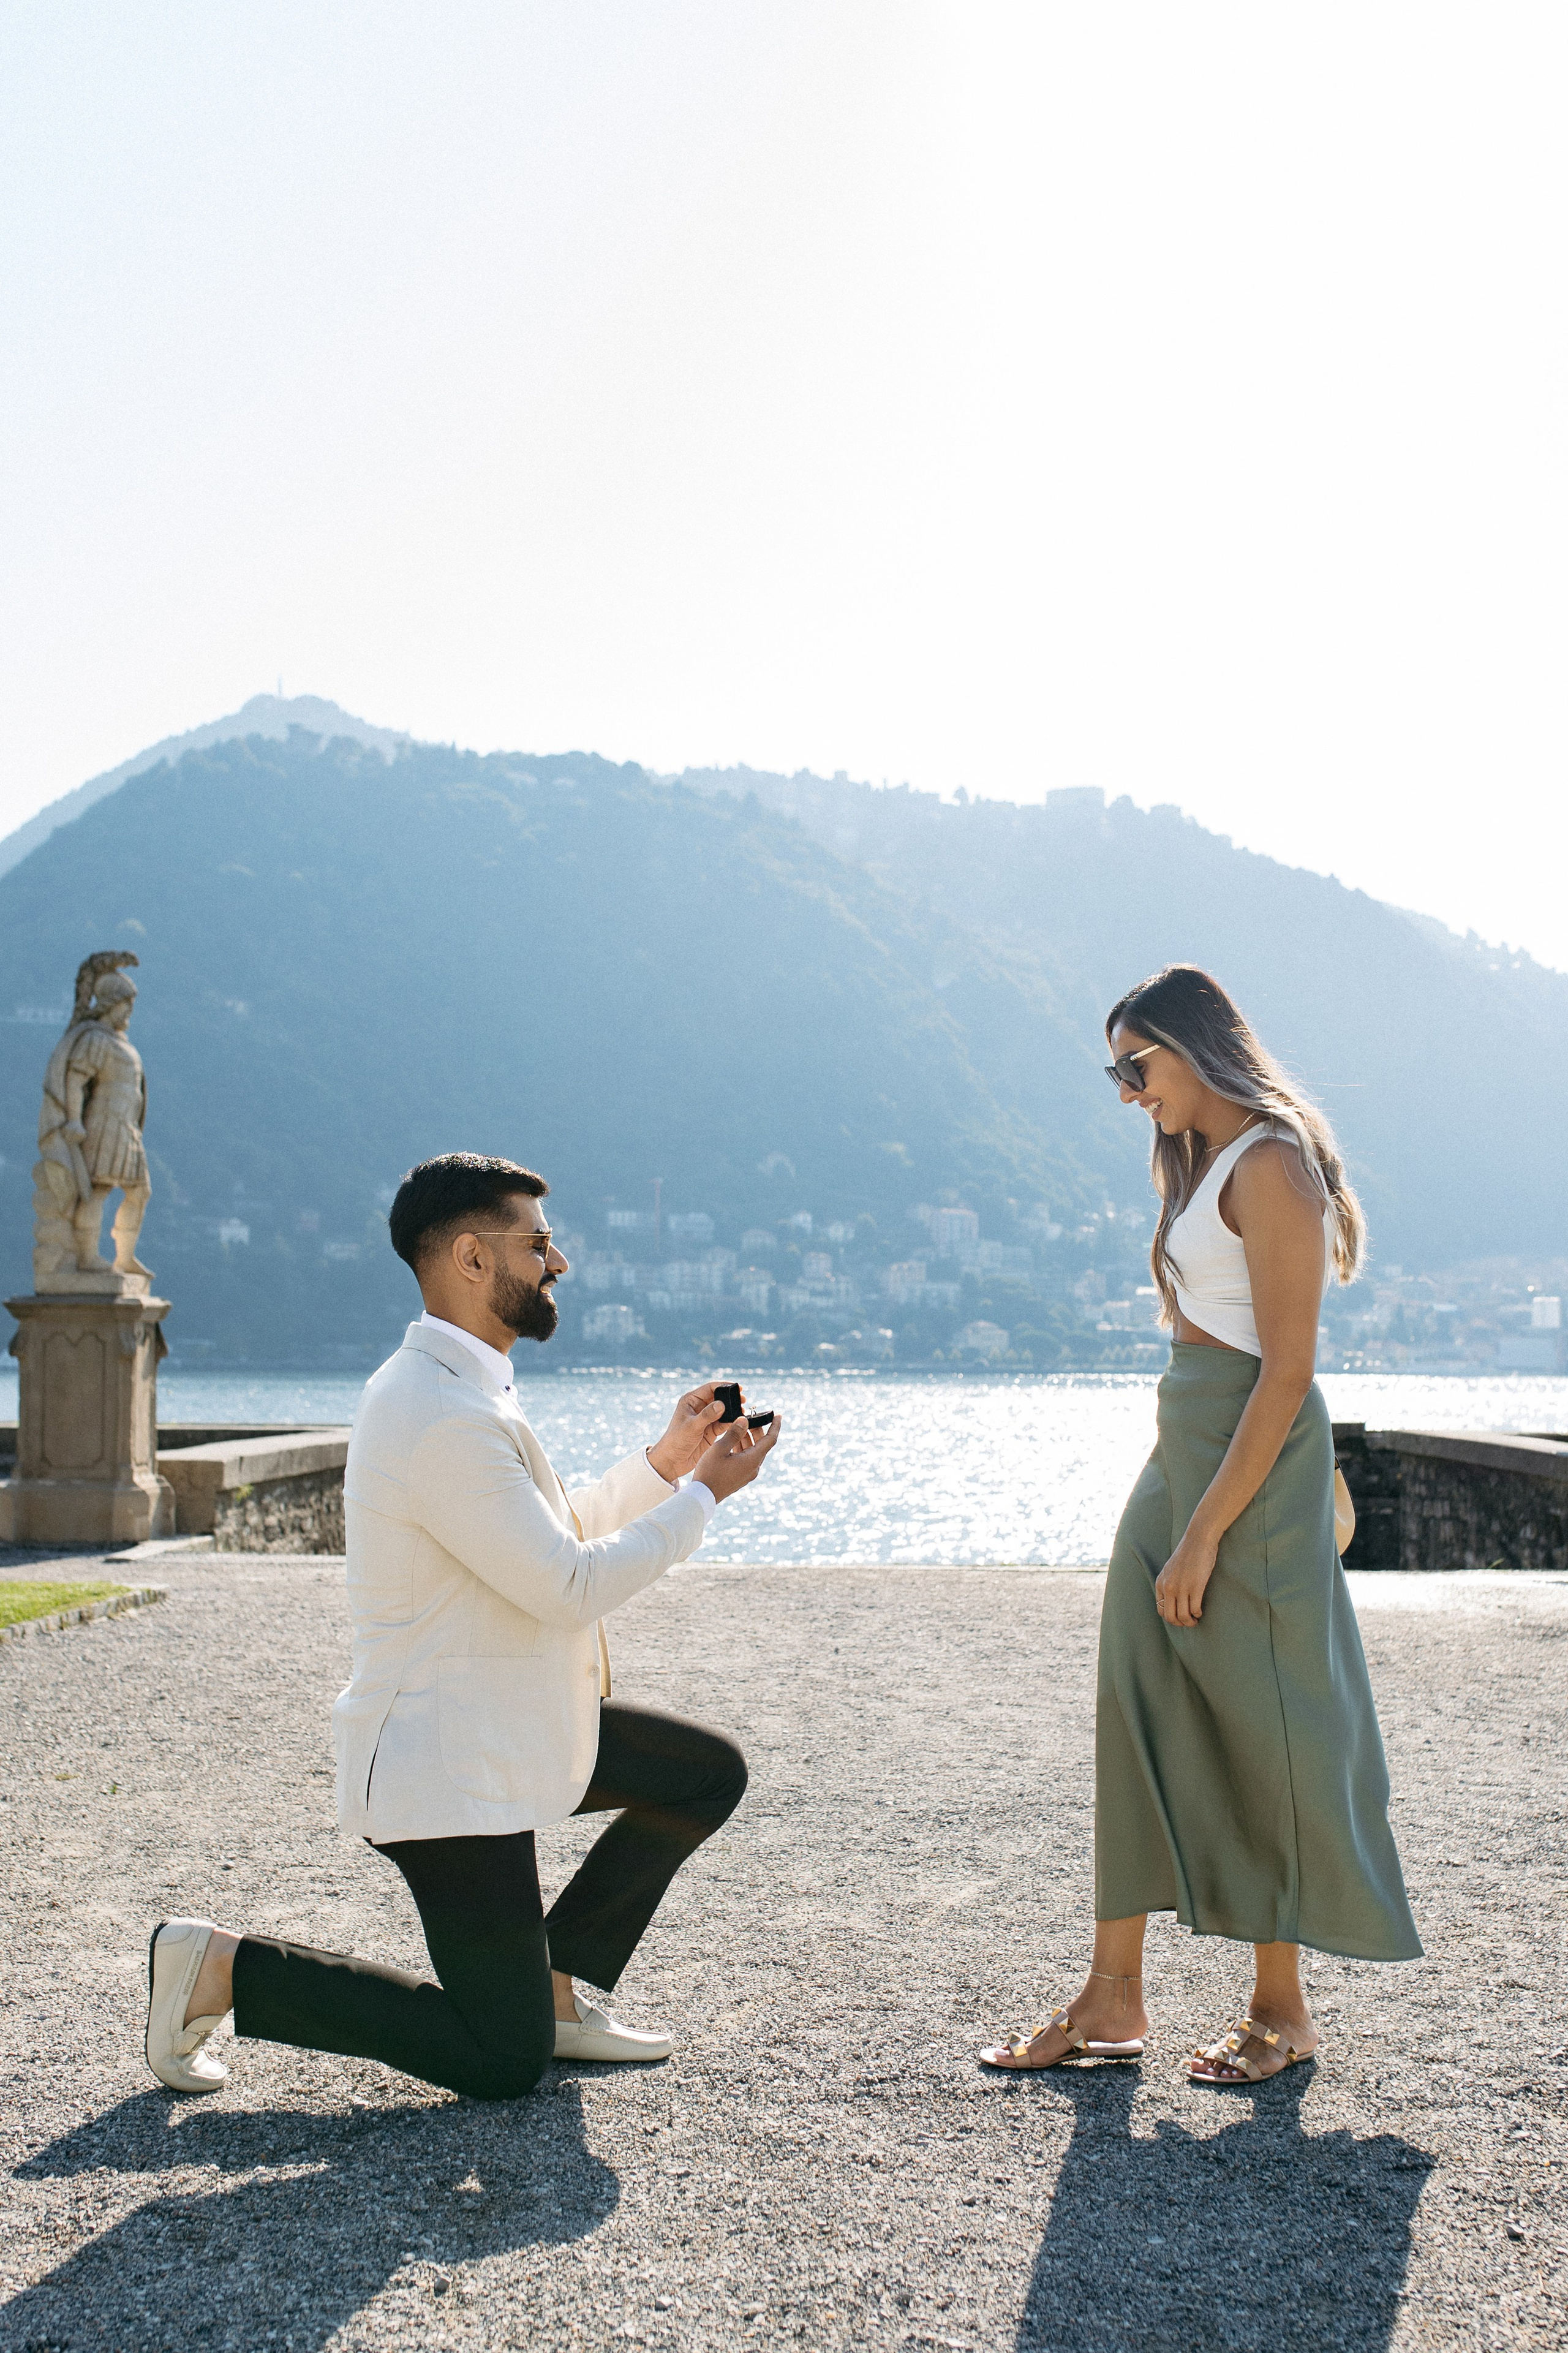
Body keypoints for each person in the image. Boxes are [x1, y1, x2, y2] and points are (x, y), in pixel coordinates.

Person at [146, 1152, 780, 2101]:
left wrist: (664, 1461)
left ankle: (559, 1987)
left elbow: (544, 1532)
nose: (558, 1260)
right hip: (443, 1763)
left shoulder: (465, 1389)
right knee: (498, 2059)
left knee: (702, 1774)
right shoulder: (438, 1408)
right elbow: (566, 1584)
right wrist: (699, 1498)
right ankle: (223, 1969)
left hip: (502, 1724)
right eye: (538, 1241)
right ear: (475, 1260)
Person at [981, 965, 1419, 2085]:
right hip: (1185, 1446)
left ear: (1196, 1044)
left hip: (1249, 1465)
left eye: (1139, 1065)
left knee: (1260, 1719)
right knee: (1135, 1691)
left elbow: (1287, 1374)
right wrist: (1178, 1504)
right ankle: (1112, 1994)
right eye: (1115, 1073)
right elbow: (1205, 1338)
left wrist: (1206, 1531)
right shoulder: (1197, 1161)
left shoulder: (1273, 1161)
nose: (1128, 1092)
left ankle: (1285, 2005)